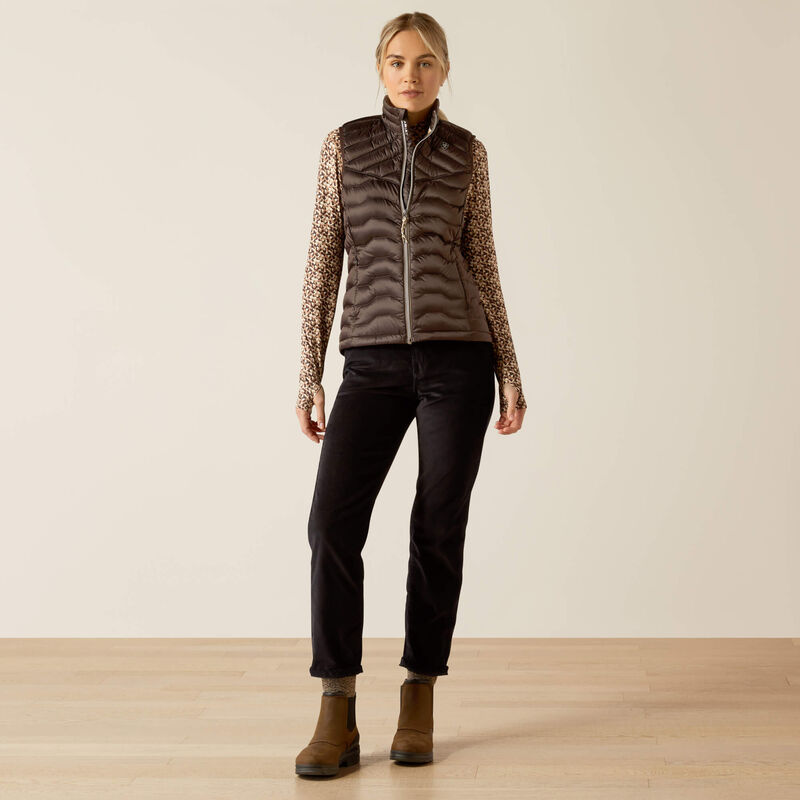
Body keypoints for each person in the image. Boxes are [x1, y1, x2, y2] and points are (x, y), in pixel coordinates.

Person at [294, 11, 527, 777]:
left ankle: (419, 694)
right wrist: (309, 372)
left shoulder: (466, 153)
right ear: (379, 68)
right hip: (370, 362)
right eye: (397, 60)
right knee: (332, 525)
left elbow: (482, 260)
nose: (411, 74)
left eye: (426, 61)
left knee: (437, 525)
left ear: (444, 70)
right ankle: (336, 708)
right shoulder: (345, 145)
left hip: (460, 359)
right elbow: (323, 257)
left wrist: (511, 369)